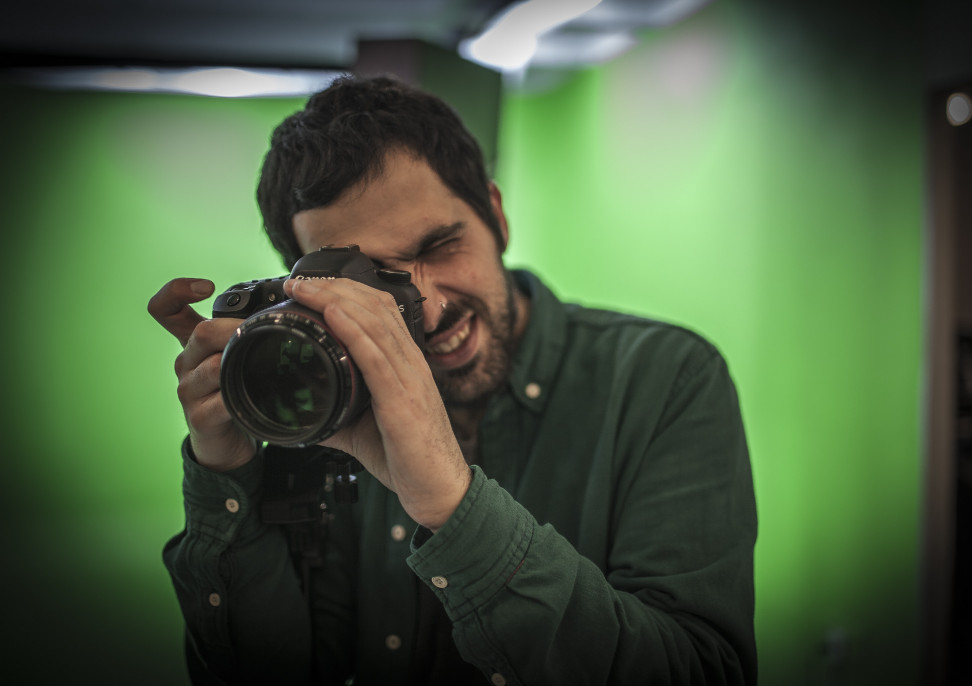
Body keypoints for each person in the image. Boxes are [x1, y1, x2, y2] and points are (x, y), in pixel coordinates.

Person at [149, 75, 757, 685]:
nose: (431, 307)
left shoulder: (663, 380)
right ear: (307, 288)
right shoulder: (319, 397)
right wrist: (228, 469)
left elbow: (703, 672)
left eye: (439, 246)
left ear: (496, 215)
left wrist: (452, 504)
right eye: (370, 281)